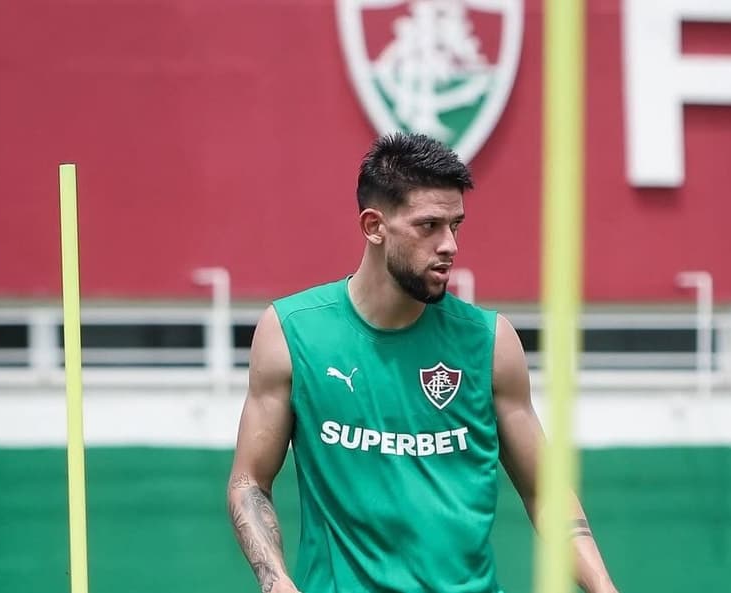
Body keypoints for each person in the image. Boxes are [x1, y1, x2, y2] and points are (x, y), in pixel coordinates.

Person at [227, 132, 618, 593]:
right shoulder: (291, 332)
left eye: (456, 225)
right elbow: (249, 481)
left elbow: (545, 491)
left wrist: (602, 587)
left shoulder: (490, 343)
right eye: (428, 226)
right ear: (374, 226)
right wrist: (276, 582)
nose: (449, 245)